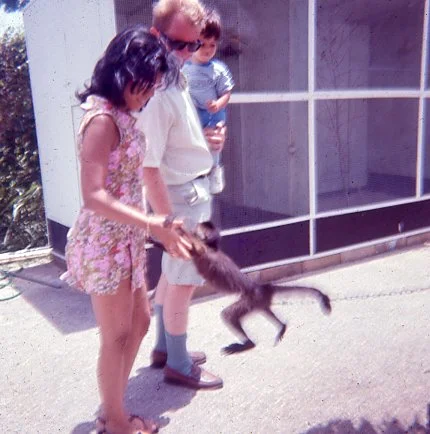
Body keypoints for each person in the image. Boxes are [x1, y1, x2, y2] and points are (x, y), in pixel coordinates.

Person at [61, 25, 191, 434]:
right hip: (104, 242)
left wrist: (159, 225)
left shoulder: (121, 115)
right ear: (124, 70)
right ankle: (116, 422)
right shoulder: (101, 120)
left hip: (128, 240)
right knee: (116, 335)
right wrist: (153, 223)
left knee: (138, 324)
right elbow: (94, 196)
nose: (149, 93)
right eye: (146, 84)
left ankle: (110, 408)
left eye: (154, 86)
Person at [137, 0, 226, 390]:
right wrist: (168, 222)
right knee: (184, 279)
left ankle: (163, 349)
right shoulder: (156, 91)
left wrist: (207, 140)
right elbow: (149, 166)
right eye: (180, 44)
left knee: (173, 276)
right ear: (157, 36)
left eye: (195, 45)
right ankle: (178, 362)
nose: (188, 53)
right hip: (180, 200)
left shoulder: (174, 79)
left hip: (189, 191)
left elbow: (174, 144)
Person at [182, 8, 234, 195]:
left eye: (212, 45)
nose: (207, 49)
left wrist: (218, 105)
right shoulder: (184, 68)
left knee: (213, 145)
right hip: (194, 116)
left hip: (212, 116)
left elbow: (227, 93)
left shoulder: (218, 69)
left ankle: (215, 171)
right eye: (203, 44)